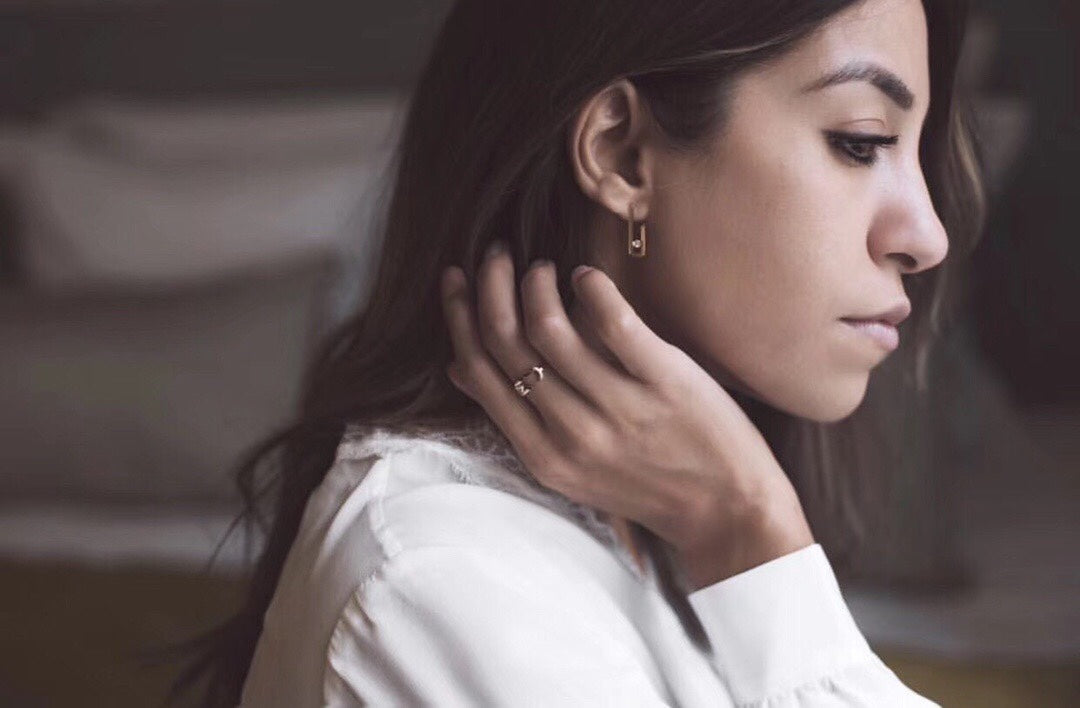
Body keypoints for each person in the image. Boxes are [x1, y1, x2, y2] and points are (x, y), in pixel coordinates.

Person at [168, 0, 985, 705]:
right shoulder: (446, 589)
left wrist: (745, 533)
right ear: (622, 153)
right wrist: (751, 532)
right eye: (860, 141)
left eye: (917, 154)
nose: (928, 236)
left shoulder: (657, 514)